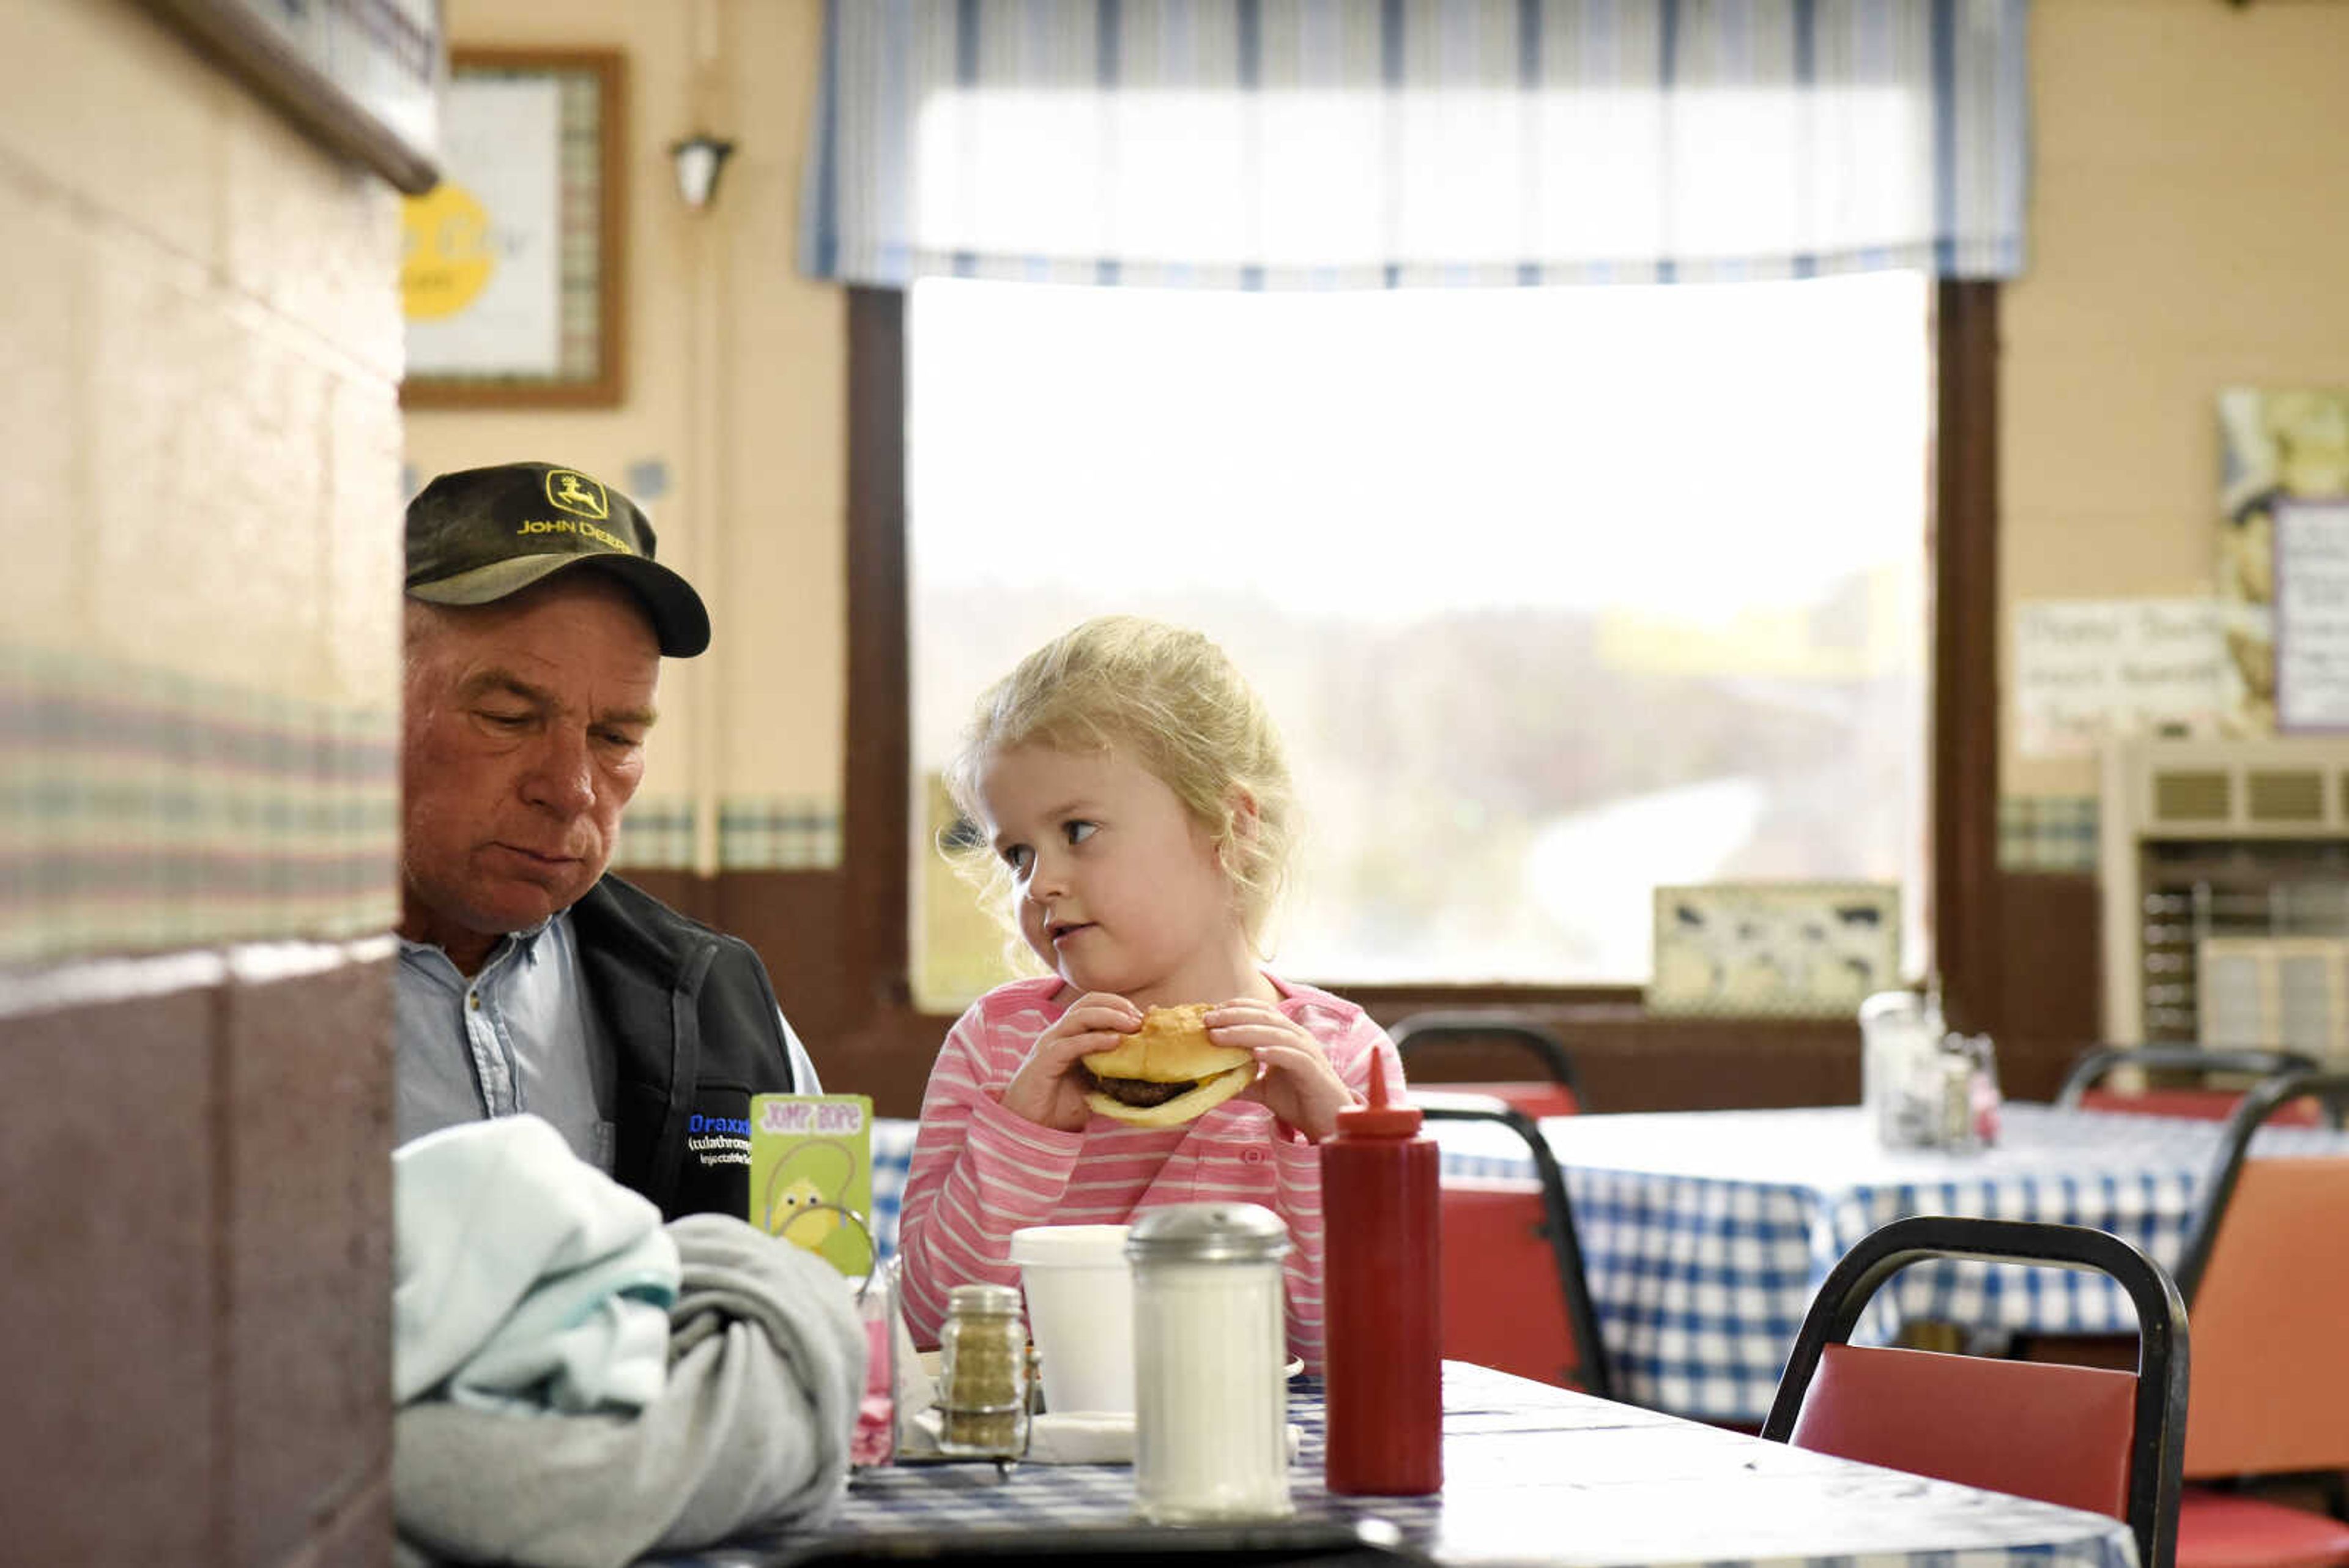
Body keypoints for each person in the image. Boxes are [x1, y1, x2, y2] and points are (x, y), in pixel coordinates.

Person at [894, 615, 1401, 1372]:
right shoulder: (997, 1047)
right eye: (1019, 853)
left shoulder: (1338, 1056)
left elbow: (1362, 1352)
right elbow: (930, 1326)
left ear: (1230, 826)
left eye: (1079, 829)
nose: (1042, 882)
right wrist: (1021, 1136)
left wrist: (1334, 1153)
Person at [394, 460, 820, 1219]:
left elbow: (831, 1277)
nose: (572, 788)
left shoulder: (724, 998)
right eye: (508, 718)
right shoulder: (236, 999)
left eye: (615, 735)